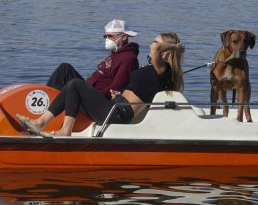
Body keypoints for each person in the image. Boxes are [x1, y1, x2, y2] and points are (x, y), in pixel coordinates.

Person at [21, 33, 185, 137]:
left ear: (165, 52)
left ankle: (63, 130)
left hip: (120, 114)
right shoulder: (155, 70)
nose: (151, 45)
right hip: (115, 106)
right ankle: (41, 122)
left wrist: (176, 47)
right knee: (70, 85)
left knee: (76, 84)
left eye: (155, 42)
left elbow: (156, 49)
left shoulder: (163, 69)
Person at [46, 19, 140, 99]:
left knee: (74, 84)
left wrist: (83, 93)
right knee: (65, 68)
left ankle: (48, 105)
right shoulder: (115, 54)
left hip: (98, 96)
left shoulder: (128, 59)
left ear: (124, 37)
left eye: (110, 36)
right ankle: (46, 97)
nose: (107, 39)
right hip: (90, 88)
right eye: (105, 36)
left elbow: (116, 88)